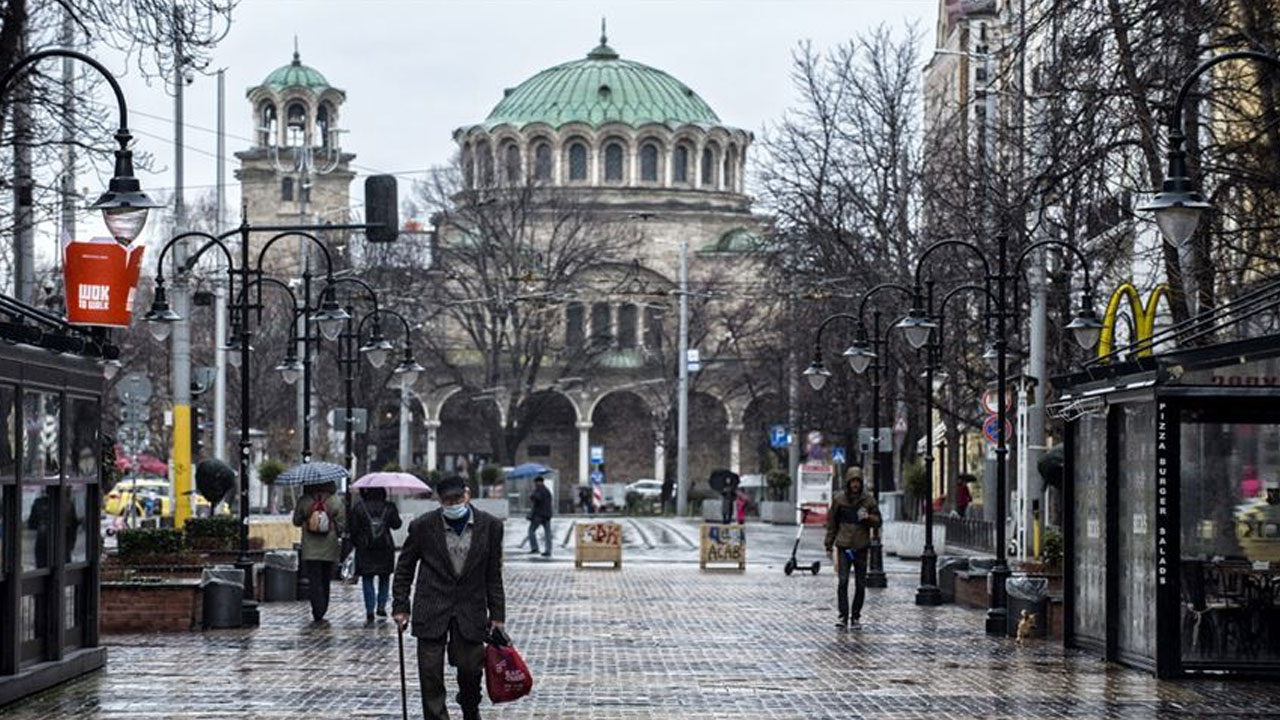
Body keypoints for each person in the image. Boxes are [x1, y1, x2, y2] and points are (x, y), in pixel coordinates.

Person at [393, 475, 505, 720]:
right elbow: (405, 567)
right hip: (432, 606)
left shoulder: (491, 526)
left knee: (470, 669)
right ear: (439, 501)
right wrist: (401, 606)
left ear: (467, 494)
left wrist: (497, 614)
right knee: (430, 672)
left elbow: (493, 574)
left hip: (471, 608)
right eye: (447, 500)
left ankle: (470, 705)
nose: (453, 503)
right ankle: (436, 716)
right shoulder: (423, 526)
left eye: (457, 498)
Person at [824, 467, 882, 629]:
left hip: (861, 546)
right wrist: (828, 544)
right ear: (848, 483)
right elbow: (832, 523)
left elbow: (878, 521)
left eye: (858, 482)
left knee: (860, 584)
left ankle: (855, 616)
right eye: (852, 482)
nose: (855, 485)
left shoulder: (868, 501)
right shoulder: (839, 500)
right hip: (843, 546)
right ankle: (843, 615)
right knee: (843, 582)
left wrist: (868, 517)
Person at [292, 481, 346, 623]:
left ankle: (317, 609)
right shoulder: (335, 500)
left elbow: (296, 521)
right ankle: (323, 608)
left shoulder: (305, 500)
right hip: (330, 546)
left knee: (314, 580)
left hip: (310, 547)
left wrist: (306, 519)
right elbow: (342, 525)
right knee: (325, 579)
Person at [349, 487, 403, 624]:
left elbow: (353, 529)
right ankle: (381, 606)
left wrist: (357, 543)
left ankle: (369, 610)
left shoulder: (359, 508)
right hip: (385, 547)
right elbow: (397, 525)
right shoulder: (389, 507)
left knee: (367, 578)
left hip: (365, 547)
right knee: (384, 577)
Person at [527, 475, 553, 557]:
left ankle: (535, 548)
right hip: (547, 515)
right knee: (548, 533)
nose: (535, 484)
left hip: (539, 515)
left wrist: (532, 495)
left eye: (535, 482)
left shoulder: (539, 489)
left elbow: (538, 498)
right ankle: (548, 550)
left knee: (531, 530)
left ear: (538, 482)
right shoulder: (547, 490)